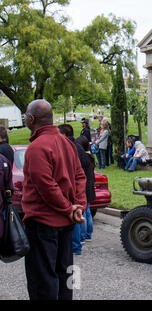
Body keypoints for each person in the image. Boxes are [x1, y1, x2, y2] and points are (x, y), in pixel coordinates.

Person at [22, 99, 86, 300]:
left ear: (32, 119)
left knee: (43, 280)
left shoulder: (36, 148)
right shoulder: (67, 143)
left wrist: (70, 208)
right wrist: (78, 207)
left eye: (26, 115)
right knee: (64, 274)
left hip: (43, 223)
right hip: (66, 224)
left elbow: (46, 186)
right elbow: (79, 177)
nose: (25, 118)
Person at [58, 124, 89, 256]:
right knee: (82, 213)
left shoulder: (70, 148)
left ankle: (76, 245)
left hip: (74, 189)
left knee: (75, 216)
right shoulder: (76, 147)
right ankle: (81, 238)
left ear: (64, 134)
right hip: (78, 188)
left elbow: (78, 171)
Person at [75, 135, 96, 245]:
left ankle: (83, 235)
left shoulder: (83, 158)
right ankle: (88, 234)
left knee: (83, 211)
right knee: (87, 211)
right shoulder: (91, 157)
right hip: (90, 185)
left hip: (85, 186)